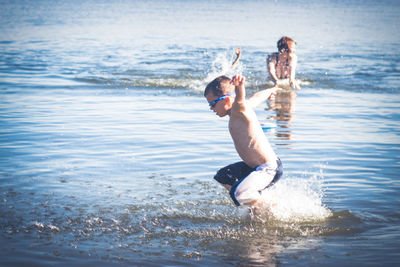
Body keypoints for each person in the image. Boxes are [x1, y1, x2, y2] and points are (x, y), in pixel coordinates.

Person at [204, 75, 283, 207]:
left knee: (238, 193)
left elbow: (239, 99)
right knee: (223, 176)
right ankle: (254, 203)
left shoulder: (239, 109)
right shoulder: (243, 109)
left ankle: (273, 206)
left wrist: (240, 86)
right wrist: (271, 90)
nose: (211, 108)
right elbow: (257, 98)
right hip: (254, 167)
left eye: (213, 104)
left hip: (268, 169)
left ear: (227, 100)